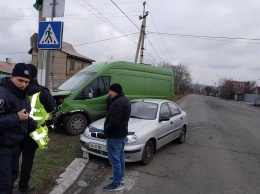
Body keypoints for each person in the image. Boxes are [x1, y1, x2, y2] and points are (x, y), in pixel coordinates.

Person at [18, 64, 56, 193]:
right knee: (28, 158)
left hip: (17, 128)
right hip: (35, 130)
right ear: (35, 75)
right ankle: (23, 187)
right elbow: (52, 107)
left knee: (13, 157)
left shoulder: (18, 89)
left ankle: (9, 183)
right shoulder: (42, 91)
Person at [0, 63, 37, 194]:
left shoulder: (22, 94)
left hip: (14, 143)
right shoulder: (2, 93)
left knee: (13, 175)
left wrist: (34, 123)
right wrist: (16, 117)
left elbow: (24, 115)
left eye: (26, 81)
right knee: (3, 182)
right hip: (2, 145)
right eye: (20, 80)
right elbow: (18, 116)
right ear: (12, 77)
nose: (23, 84)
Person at [102, 83, 131, 192]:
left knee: (115, 161)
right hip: (122, 135)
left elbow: (114, 122)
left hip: (115, 136)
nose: (109, 93)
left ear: (115, 91)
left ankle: (116, 184)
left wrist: (106, 131)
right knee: (120, 157)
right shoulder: (125, 100)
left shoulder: (118, 103)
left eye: (111, 91)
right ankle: (120, 178)